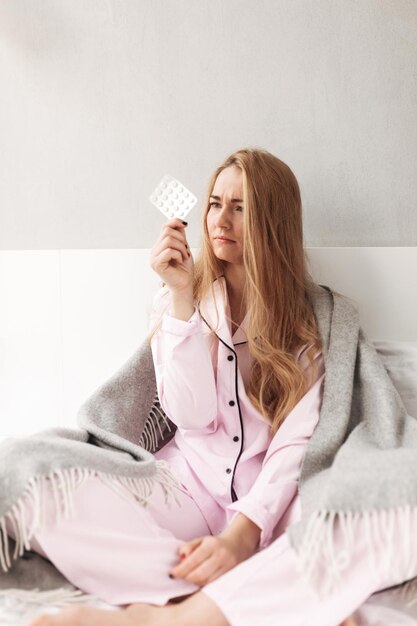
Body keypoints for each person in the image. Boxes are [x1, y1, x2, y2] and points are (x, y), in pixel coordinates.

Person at [26, 148, 413, 626]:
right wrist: (182, 299)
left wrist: (242, 535)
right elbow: (189, 417)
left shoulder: (314, 324)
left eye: (239, 206)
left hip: (270, 503)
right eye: (213, 203)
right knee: (43, 490)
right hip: (186, 487)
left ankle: (168, 614)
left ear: (272, 220)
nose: (219, 219)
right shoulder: (180, 299)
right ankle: (245, 593)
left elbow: (296, 446)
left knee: (369, 521)